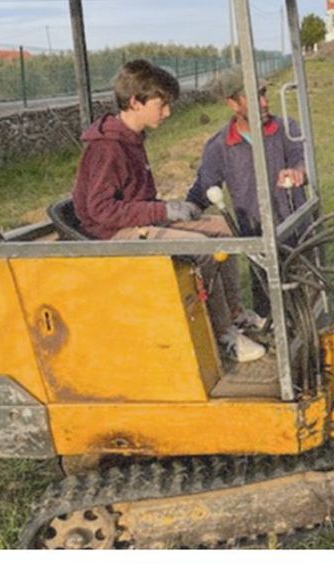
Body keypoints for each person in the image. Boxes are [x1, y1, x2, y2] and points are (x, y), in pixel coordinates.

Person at [72, 60, 267, 363]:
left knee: (226, 228)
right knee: (203, 248)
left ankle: (234, 312)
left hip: (136, 222)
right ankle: (223, 334)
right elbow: (100, 209)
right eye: (161, 105)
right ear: (136, 102)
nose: (167, 113)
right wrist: (161, 210)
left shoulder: (131, 138)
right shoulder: (107, 147)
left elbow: (136, 200)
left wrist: (173, 210)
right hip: (113, 234)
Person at [183, 78, 310, 322]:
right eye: (254, 97)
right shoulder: (220, 145)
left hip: (298, 231)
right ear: (232, 103)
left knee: (307, 299)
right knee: (269, 305)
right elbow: (204, 188)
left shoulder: (286, 129)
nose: (264, 103)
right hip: (257, 238)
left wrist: (299, 172)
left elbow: (302, 159)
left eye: (264, 94)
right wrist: (185, 211)